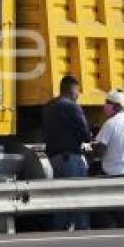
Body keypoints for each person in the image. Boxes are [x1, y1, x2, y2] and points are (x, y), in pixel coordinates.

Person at [42, 75, 92, 230]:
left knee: (62, 197)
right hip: (71, 157)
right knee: (80, 197)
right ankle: (83, 231)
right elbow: (85, 133)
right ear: (73, 91)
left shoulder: (49, 107)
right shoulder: (72, 107)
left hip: (55, 158)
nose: (78, 95)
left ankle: (59, 230)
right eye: (77, 92)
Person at [94, 89, 124, 177]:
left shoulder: (111, 123)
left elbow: (100, 150)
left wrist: (90, 150)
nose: (105, 105)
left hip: (114, 172)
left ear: (117, 106)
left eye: (108, 103)